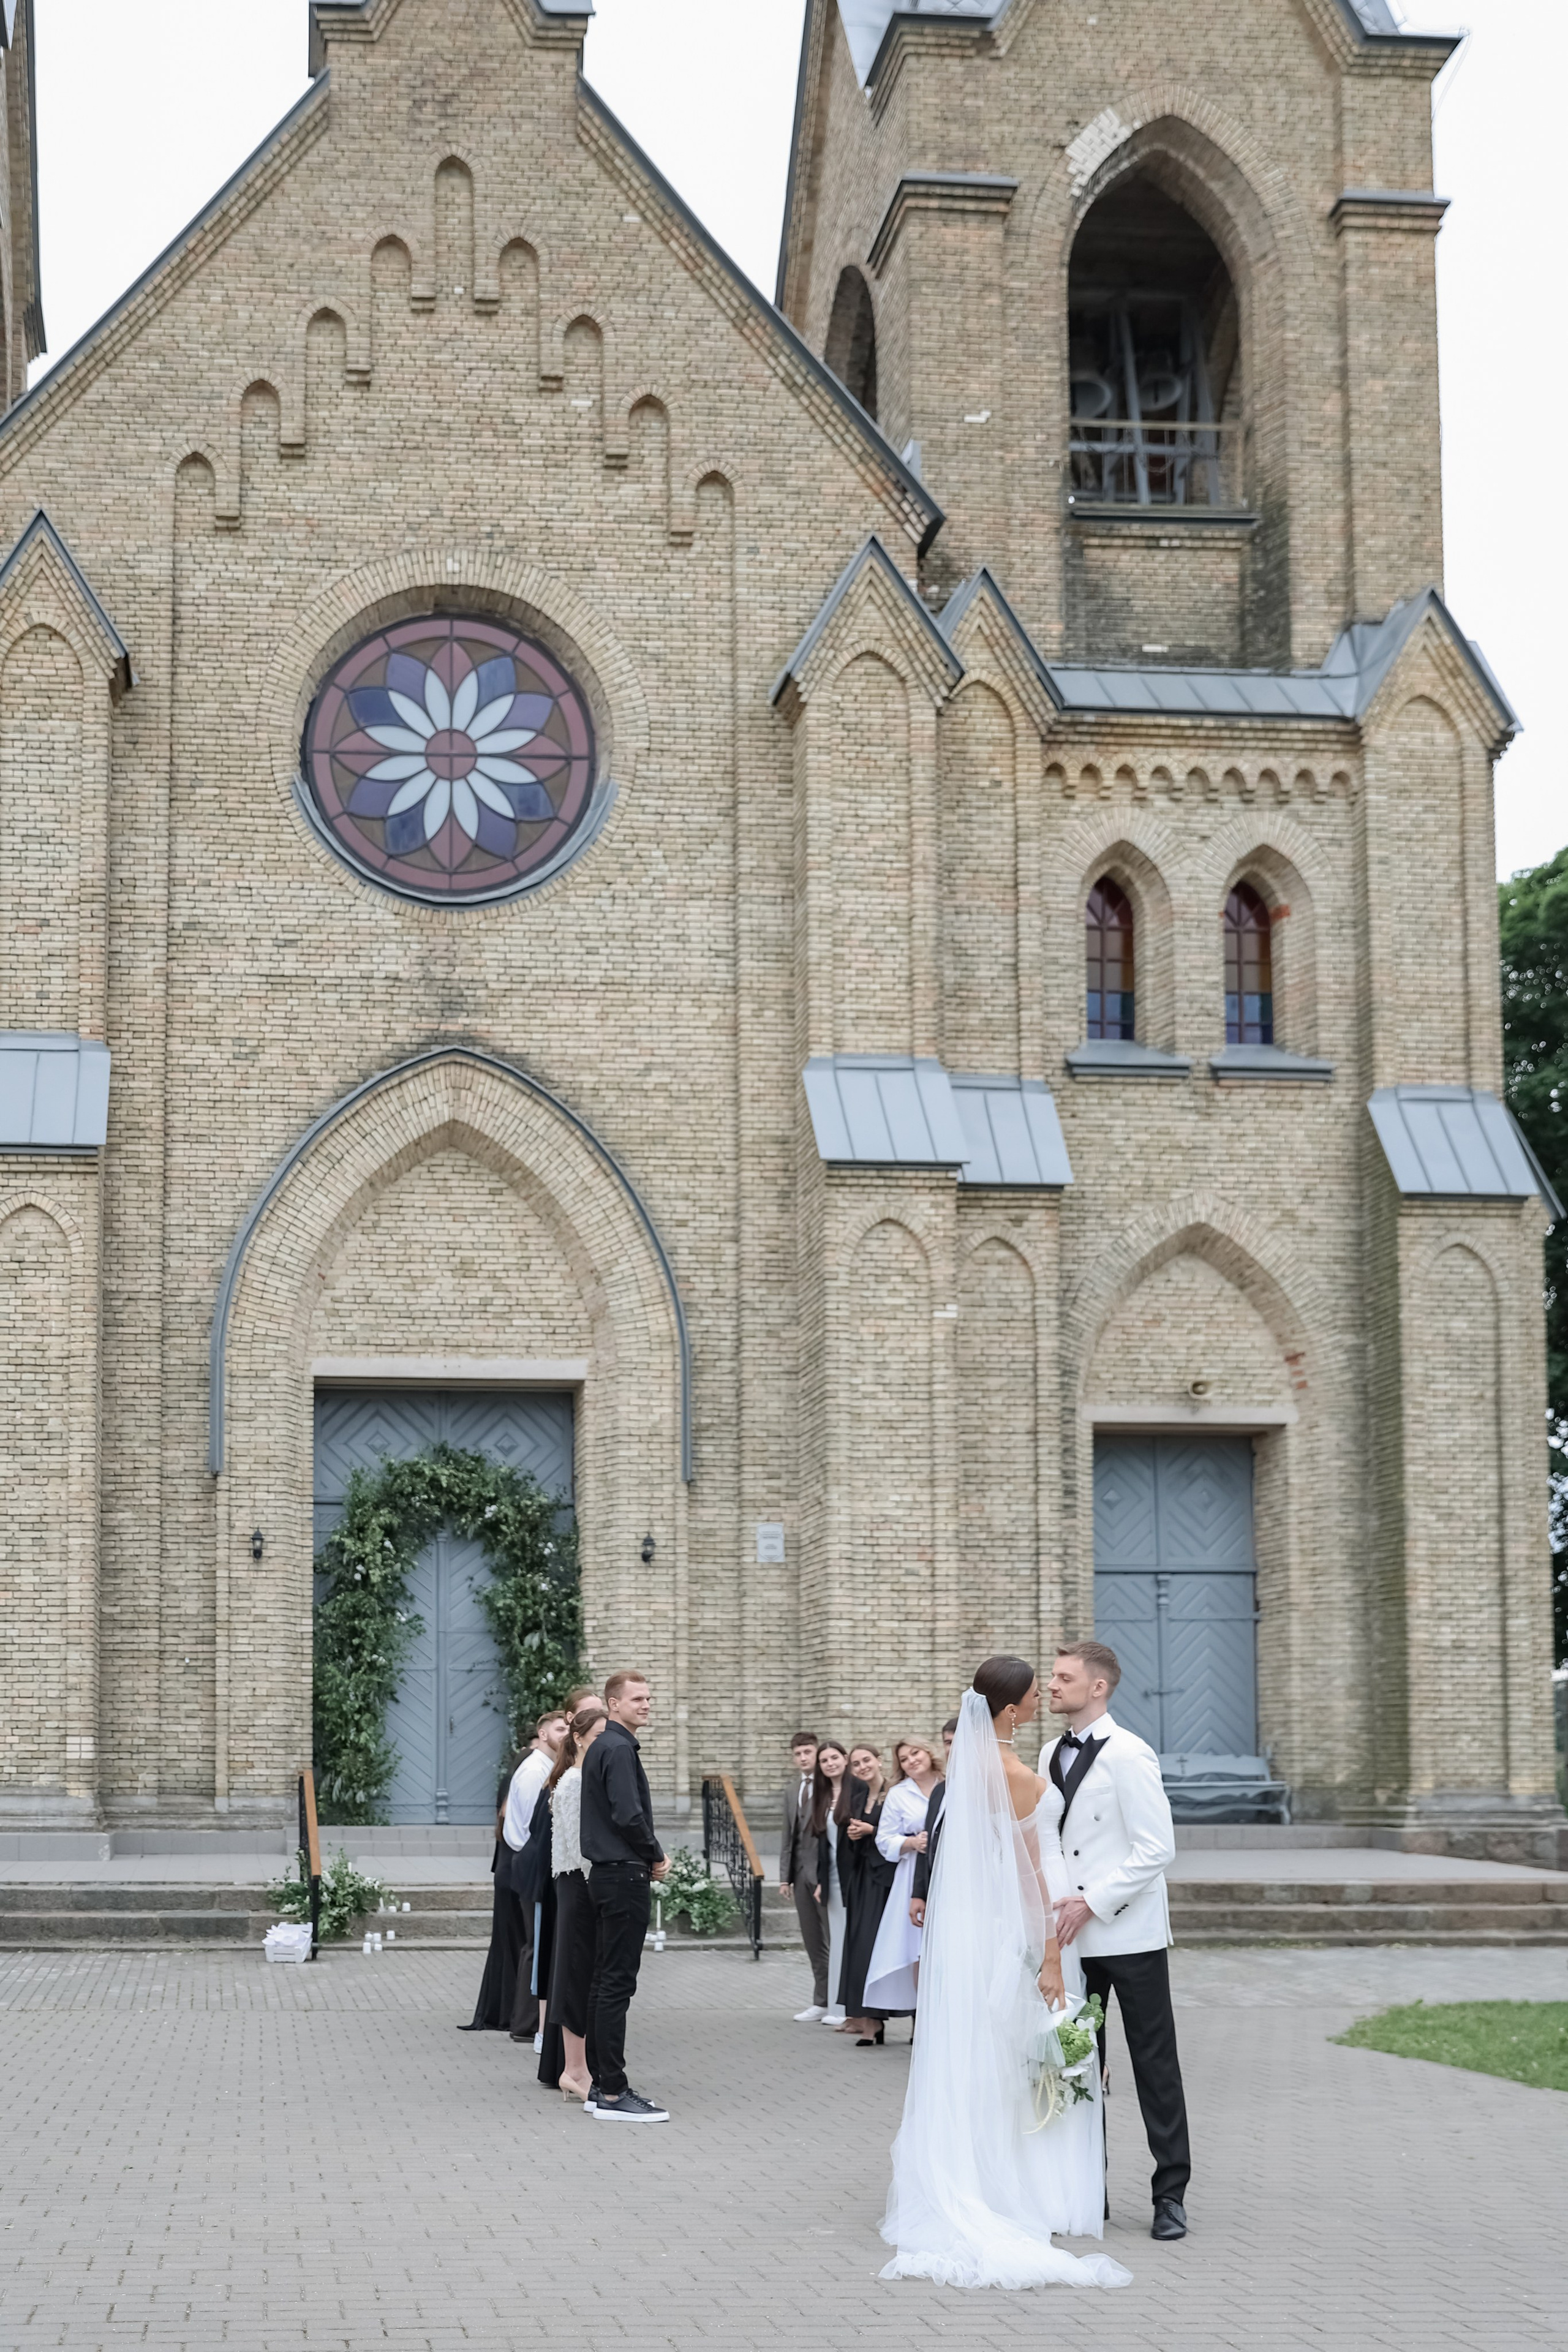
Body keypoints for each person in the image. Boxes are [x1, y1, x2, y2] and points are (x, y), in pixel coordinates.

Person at [880, 1656, 1131, 2292]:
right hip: (1031, 1923)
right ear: (1011, 1710)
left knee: (1001, 2057)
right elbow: (1028, 1869)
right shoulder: (1014, 1771)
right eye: (1029, 1697)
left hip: (986, 1925)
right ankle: (1038, 2193)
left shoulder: (968, 1765)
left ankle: (996, 2175)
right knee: (1038, 2059)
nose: (1039, 1701)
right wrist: (1049, 1953)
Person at [1043, 1642, 1190, 2242]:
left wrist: (1094, 1901)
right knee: (1076, 2059)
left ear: (1097, 1687)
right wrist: (1058, 1906)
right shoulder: (1051, 1750)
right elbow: (1050, 1835)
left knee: (1154, 2063)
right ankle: (1086, 2190)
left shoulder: (1130, 1754)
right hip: (1070, 1936)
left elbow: (1157, 1848)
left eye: (1063, 1677)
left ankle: (1170, 2195)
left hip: (1127, 1930)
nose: (1050, 1686)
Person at [579, 1668, 671, 2122]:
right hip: (622, 1876)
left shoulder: (608, 1746)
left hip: (608, 1875)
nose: (646, 1705)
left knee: (604, 1982)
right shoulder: (616, 1747)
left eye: (649, 1698)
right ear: (613, 1704)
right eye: (637, 1699)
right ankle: (613, 2091)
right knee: (616, 1983)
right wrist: (655, 1854)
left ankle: (601, 2085)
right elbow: (628, 1814)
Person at [548, 1699, 608, 2103]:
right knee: (576, 1976)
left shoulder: (587, 1778)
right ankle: (574, 2070)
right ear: (579, 1738)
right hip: (577, 1883)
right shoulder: (573, 1782)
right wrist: (600, 1886)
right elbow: (577, 1844)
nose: (605, 1744)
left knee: (587, 1977)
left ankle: (583, 2068)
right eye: (599, 1737)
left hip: (583, 1884)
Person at [498, 1709, 568, 2042]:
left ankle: (530, 2021)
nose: (566, 1734)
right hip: (530, 1863)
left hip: (533, 1862)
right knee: (534, 1944)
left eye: (568, 1728)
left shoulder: (548, 1767)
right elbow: (527, 1827)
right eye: (559, 1729)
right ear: (542, 1734)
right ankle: (525, 2023)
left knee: (537, 1943)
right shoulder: (531, 1772)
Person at [863, 1738, 944, 2015]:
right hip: (913, 1875)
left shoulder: (951, 1782)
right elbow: (884, 1839)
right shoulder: (898, 1794)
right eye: (904, 1759)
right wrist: (911, 1844)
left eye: (915, 1753)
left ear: (929, 1752)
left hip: (949, 1869)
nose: (912, 1760)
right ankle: (923, 2017)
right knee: (917, 1947)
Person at [837, 1742, 900, 2044]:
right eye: (856, 1764)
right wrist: (853, 1834)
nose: (862, 1767)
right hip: (863, 1877)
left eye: (866, 1761)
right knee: (862, 1947)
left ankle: (912, 2020)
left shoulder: (897, 1791)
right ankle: (871, 2022)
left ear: (878, 1760)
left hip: (888, 1879)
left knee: (890, 1945)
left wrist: (871, 1831)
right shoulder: (859, 1795)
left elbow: (903, 1832)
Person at [458, 1760, 526, 2031]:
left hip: (509, 1871)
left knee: (512, 1946)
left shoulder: (519, 1773)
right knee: (517, 1946)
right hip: (514, 1872)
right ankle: (512, 2013)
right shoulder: (527, 1773)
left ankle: (506, 2011)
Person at [778, 1732, 831, 2021]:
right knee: (812, 1941)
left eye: (808, 1752)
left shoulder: (829, 1787)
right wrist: (785, 1877)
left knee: (833, 1939)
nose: (803, 1758)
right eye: (798, 1754)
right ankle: (820, 2001)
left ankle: (840, 2002)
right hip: (800, 1874)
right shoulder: (792, 1790)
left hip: (824, 1876)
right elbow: (789, 1835)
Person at [809, 1740, 851, 2025]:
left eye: (835, 1757)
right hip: (832, 1879)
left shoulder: (857, 1791)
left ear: (845, 1759)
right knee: (836, 1940)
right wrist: (822, 1881)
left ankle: (850, 2007)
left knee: (850, 1940)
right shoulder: (822, 1797)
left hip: (853, 1879)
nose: (831, 1764)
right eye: (824, 1761)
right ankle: (837, 2007)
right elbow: (823, 1846)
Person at [909, 1716, 958, 1932]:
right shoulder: (940, 1791)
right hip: (937, 1892)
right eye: (948, 1742)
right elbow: (927, 1841)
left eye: (959, 1740)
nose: (952, 1748)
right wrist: (919, 1893)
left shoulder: (988, 1788)